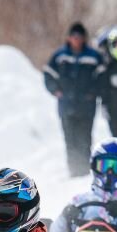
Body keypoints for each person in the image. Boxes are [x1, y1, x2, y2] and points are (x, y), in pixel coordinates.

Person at [43, 23, 105, 178]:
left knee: (85, 138)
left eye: (79, 37)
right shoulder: (60, 56)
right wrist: (55, 90)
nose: (76, 40)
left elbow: (102, 77)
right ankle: (73, 169)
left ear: (84, 38)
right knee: (70, 139)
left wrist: (94, 92)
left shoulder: (93, 56)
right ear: (69, 38)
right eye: (74, 37)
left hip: (86, 106)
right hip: (66, 106)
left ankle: (84, 170)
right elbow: (48, 74)